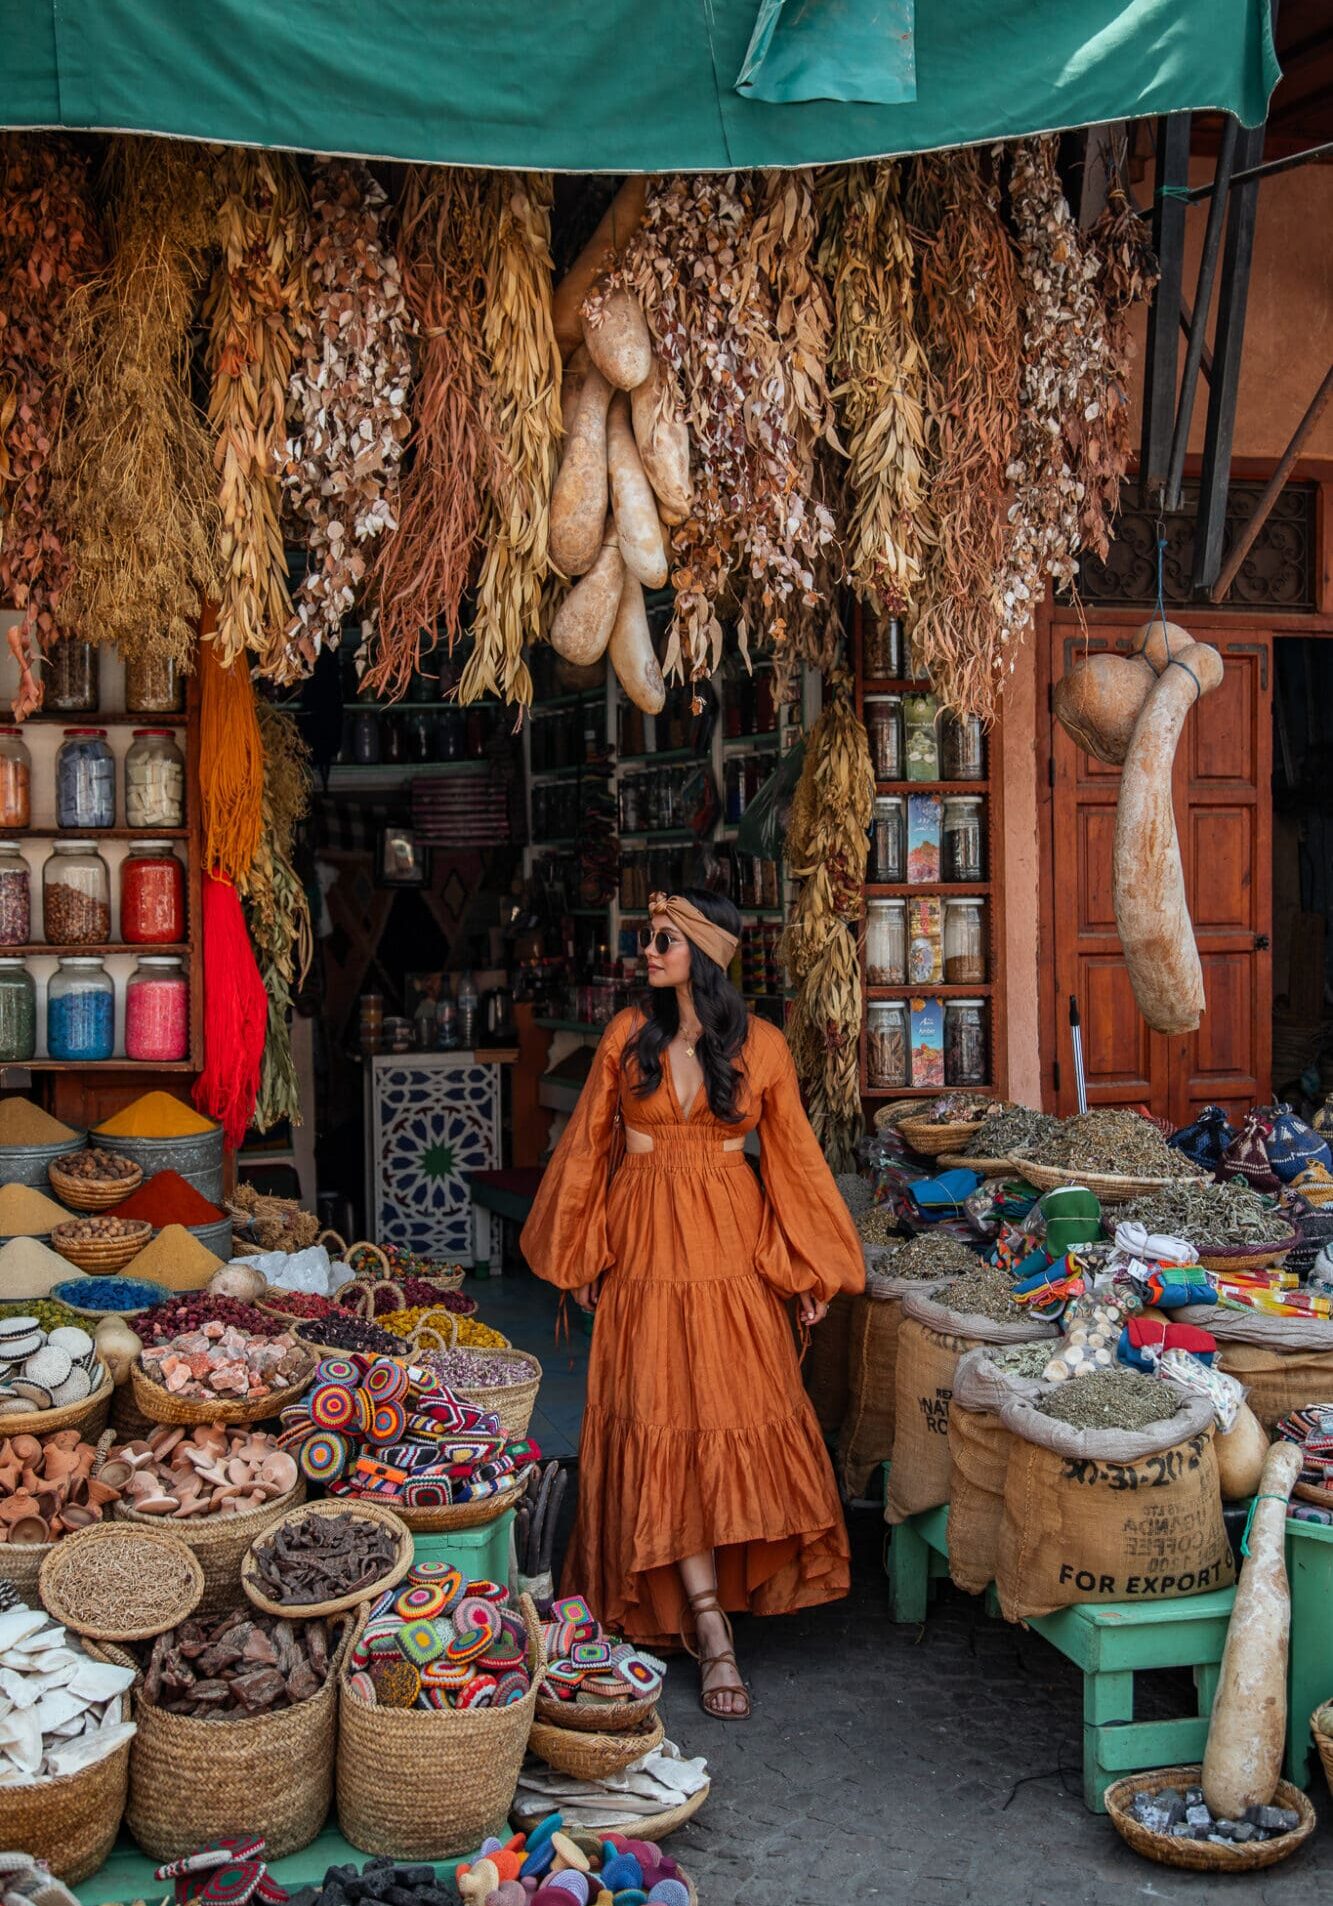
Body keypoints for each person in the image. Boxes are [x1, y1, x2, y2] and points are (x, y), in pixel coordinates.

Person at [521, 887, 865, 1720]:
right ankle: (710, 1628)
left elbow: (794, 1166)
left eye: (666, 939)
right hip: (642, 1248)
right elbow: (586, 1149)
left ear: (705, 953)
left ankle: (713, 1611)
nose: (649, 950)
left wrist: (805, 1270)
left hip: (730, 1249)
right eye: (648, 937)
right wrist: (581, 1251)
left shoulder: (764, 1048)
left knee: (733, 1407)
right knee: (659, 1417)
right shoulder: (624, 1037)